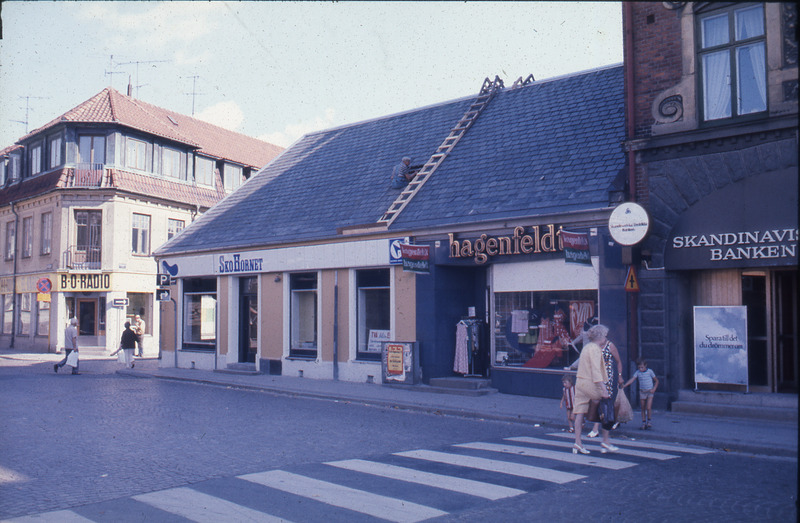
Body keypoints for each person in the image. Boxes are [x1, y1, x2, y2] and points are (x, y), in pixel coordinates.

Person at [572, 324, 618, 455]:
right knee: (607, 406)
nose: (606, 338)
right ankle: (605, 441)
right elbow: (596, 371)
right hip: (590, 383)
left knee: (580, 412)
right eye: (605, 336)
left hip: (580, 382)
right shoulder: (596, 350)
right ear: (600, 336)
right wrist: (604, 389)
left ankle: (577, 443)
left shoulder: (587, 347)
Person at [623, 358, 659, 429]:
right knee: (643, 408)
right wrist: (625, 385)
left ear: (645, 365)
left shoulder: (650, 371)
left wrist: (654, 388)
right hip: (642, 391)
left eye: (642, 367)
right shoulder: (637, 372)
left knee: (648, 407)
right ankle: (643, 422)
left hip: (650, 391)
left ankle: (649, 421)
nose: (640, 369)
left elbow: (656, 381)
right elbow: (632, 379)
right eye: (639, 367)